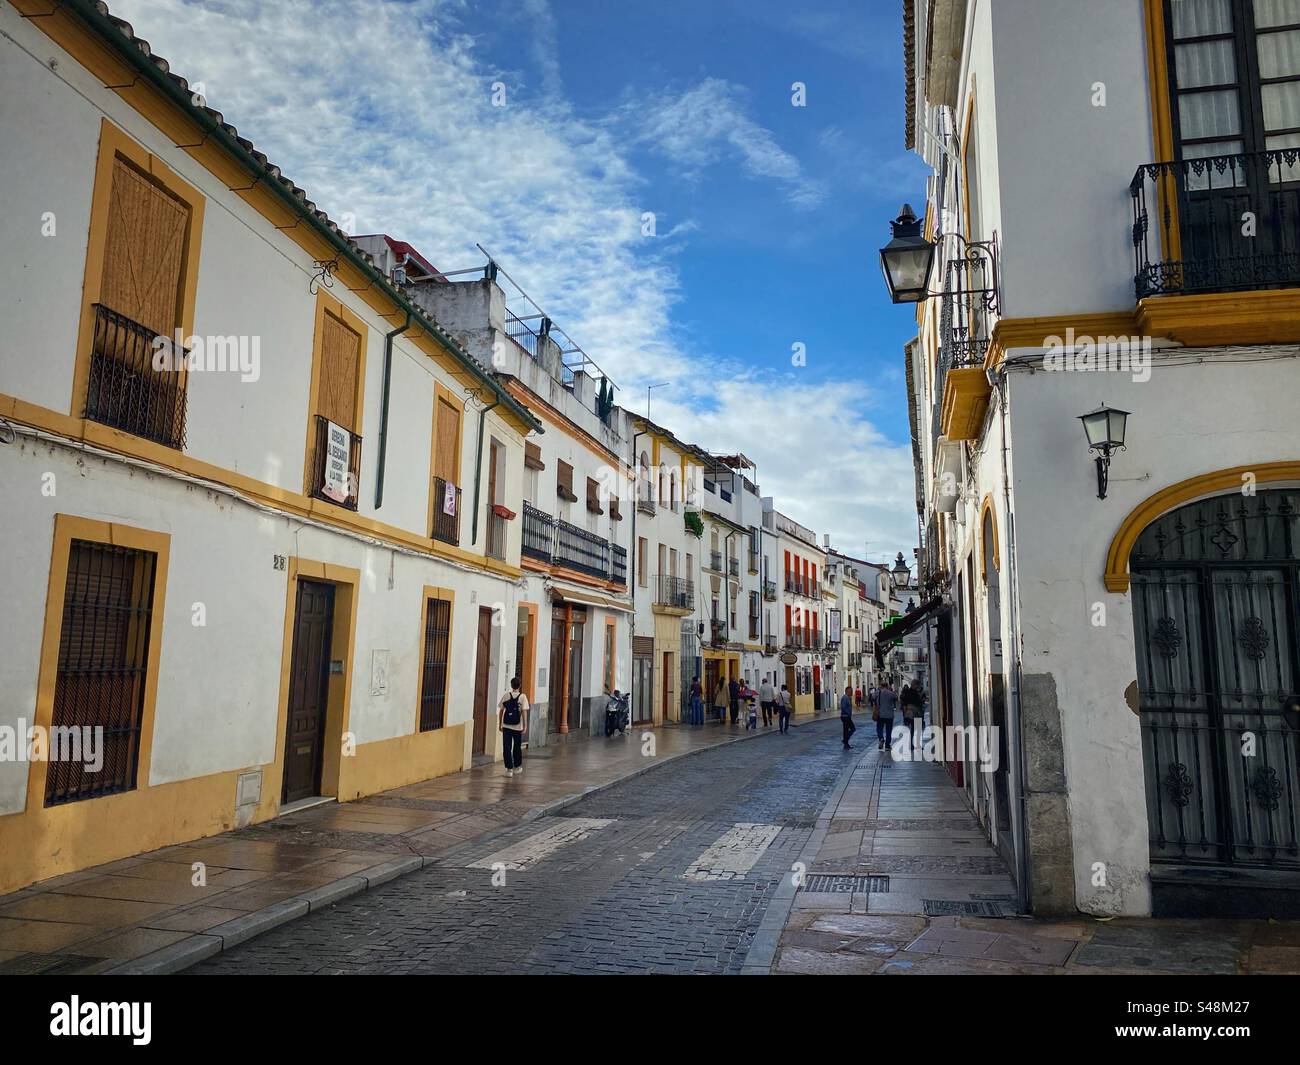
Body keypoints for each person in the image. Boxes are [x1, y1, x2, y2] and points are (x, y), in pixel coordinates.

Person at [497, 677, 529, 776]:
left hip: (506, 726)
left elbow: (501, 710)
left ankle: (509, 769)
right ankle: (517, 766)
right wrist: (525, 725)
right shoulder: (523, 697)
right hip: (517, 727)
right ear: (520, 685)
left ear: (511, 686)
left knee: (506, 747)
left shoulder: (506, 696)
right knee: (517, 746)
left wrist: (500, 724)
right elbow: (524, 712)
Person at [876, 678, 898, 752]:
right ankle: (888, 745)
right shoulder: (891, 693)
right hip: (889, 715)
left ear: (881, 686)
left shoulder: (878, 692)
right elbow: (896, 698)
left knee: (879, 728)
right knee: (888, 730)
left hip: (880, 714)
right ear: (887, 686)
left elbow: (872, 697)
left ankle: (881, 738)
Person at [902, 682, 923, 751]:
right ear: (914, 685)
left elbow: (904, 703)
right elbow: (918, 702)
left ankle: (912, 744)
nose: (918, 687)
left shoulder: (907, 692)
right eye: (917, 686)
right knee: (917, 729)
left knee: (913, 729)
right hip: (915, 712)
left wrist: (905, 714)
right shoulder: (915, 693)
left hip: (909, 712)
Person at [839, 685, 856, 749]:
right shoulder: (845, 698)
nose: (852, 692)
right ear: (847, 691)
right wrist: (848, 713)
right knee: (852, 728)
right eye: (851, 691)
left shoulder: (848, 697)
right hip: (845, 716)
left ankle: (846, 742)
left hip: (847, 716)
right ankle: (845, 741)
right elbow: (843, 707)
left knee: (847, 730)